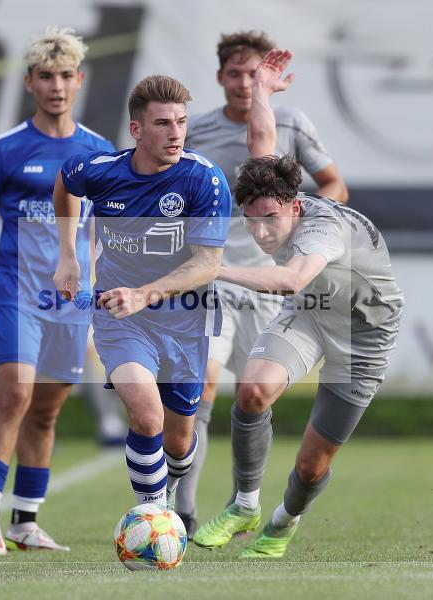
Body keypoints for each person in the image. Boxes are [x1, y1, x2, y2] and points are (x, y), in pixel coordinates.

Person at [193, 50, 404, 558]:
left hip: (364, 331)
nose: (261, 230)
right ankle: (243, 503)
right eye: (251, 219)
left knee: (312, 467)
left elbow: (289, 280)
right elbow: (261, 138)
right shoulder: (272, 186)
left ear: (294, 205)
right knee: (251, 391)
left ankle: (283, 522)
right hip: (312, 312)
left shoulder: (322, 230)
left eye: (270, 218)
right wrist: (262, 91)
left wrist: (214, 268)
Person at [176, 30, 349, 537]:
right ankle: (182, 512)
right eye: (236, 73)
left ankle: (240, 501)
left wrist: (317, 231)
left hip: (270, 280)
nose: (245, 82)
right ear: (220, 77)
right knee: (200, 386)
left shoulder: (290, 122)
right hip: (210, 277)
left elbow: (333, 183)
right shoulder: (197, 131)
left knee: (255, 395)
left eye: (254, 74)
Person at [0, 26, 114, 555]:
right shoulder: (4, 148)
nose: (57, 86)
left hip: (70, 300)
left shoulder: (98, 151)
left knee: (46, 411)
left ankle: (25, 520)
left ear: (80, 80)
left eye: (66, 75)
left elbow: (105, 231)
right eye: (46, 76)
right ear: (30, 82)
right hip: (13, 291)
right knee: (16, 393)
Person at [53, 75, 231, 510]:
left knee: (178, 440)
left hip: (186, 320)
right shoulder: (97, 170)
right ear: (136, 129)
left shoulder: (202, 179)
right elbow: (65, 187)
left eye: (181, 123)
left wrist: (146, 293)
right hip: (123, 318)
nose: (175, 134)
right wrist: (68, 255)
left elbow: (208, 264)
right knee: (146, 414)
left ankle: (168, 491)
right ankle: (153, 518)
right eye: (163, 124)